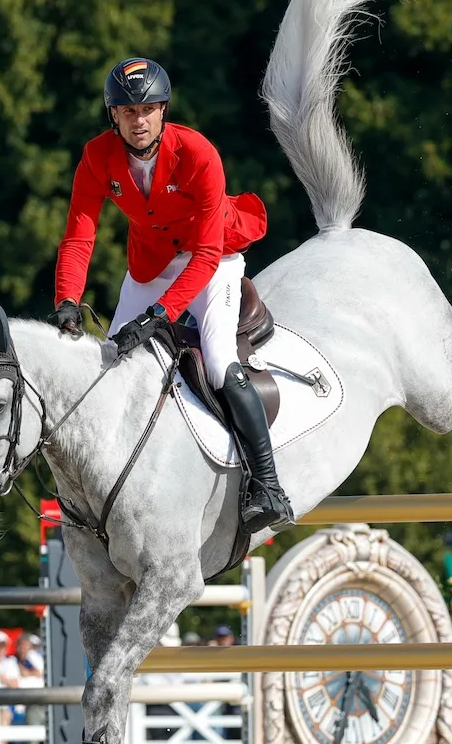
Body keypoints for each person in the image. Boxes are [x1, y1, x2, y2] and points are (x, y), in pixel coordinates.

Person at [50, 56, 290, 532]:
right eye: (127, 112)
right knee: (107, 366)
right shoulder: (97, 157)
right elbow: (80, 236)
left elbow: (205, 254)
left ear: (162, 110)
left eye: (147, 110)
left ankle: (268, 486)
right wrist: (67, 301)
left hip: (212, 262)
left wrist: (161, 314)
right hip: (150, 265)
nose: (138, 121)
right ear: (113, 115)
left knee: (220, 362)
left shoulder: (198, 152)